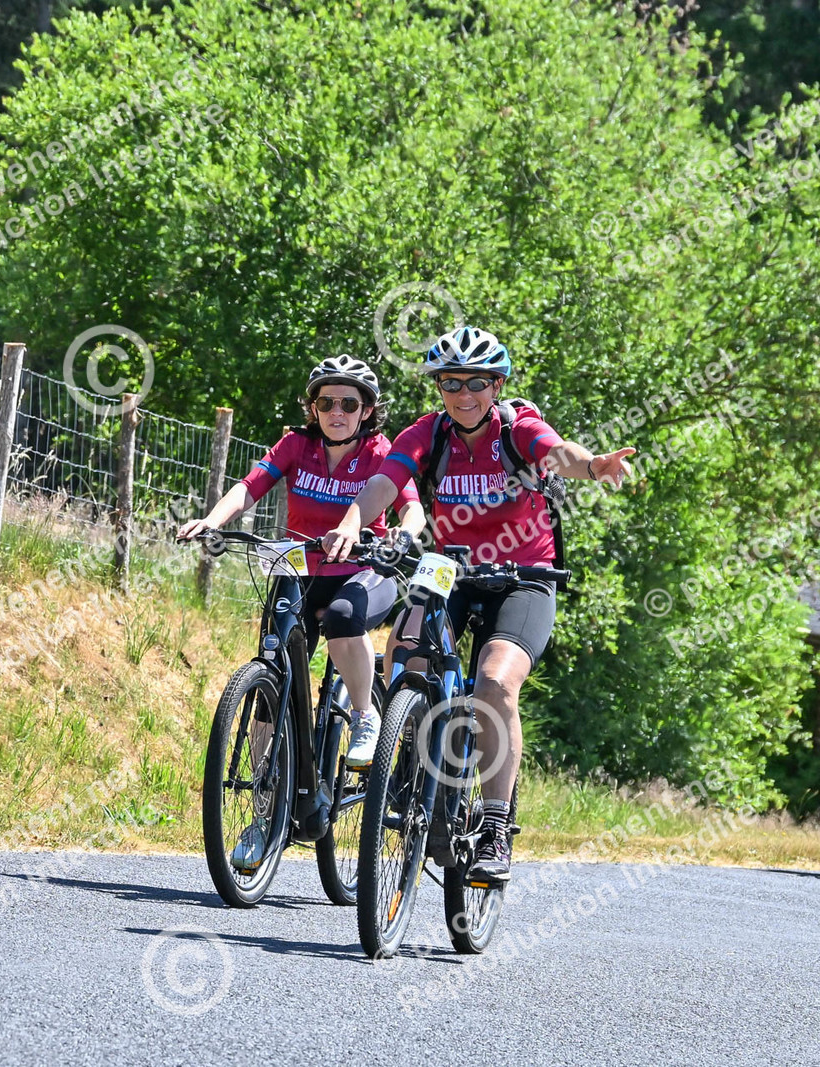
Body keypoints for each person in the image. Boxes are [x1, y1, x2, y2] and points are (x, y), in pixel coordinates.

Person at [322, 326, 635, 884]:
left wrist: (593, 466)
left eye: (475, 383)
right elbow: (384, 484)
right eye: (450, 383)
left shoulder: (518, 429)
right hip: (451, 567)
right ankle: (408, 753)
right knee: (404, 650)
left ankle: (494, 824)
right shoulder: (428, 433)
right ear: (439, 387)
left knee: (494, 682)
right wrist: (349, 523)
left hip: (525, 575)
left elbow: (559, 453)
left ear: (496, 386)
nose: (462, 394)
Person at [179, 355, 427, 870]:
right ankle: (265, 812)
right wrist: (212, 520)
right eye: (327, 402)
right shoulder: (296, 445)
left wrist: (402, 537)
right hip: (298, 568)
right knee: (268, 683)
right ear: (313, 407)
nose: (337, 411)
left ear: (366, 411)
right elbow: (250, 486)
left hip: (364, 571)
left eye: (349, 404)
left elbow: (411, 509)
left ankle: (364, 716)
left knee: (342, 616)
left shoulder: (382, 452)